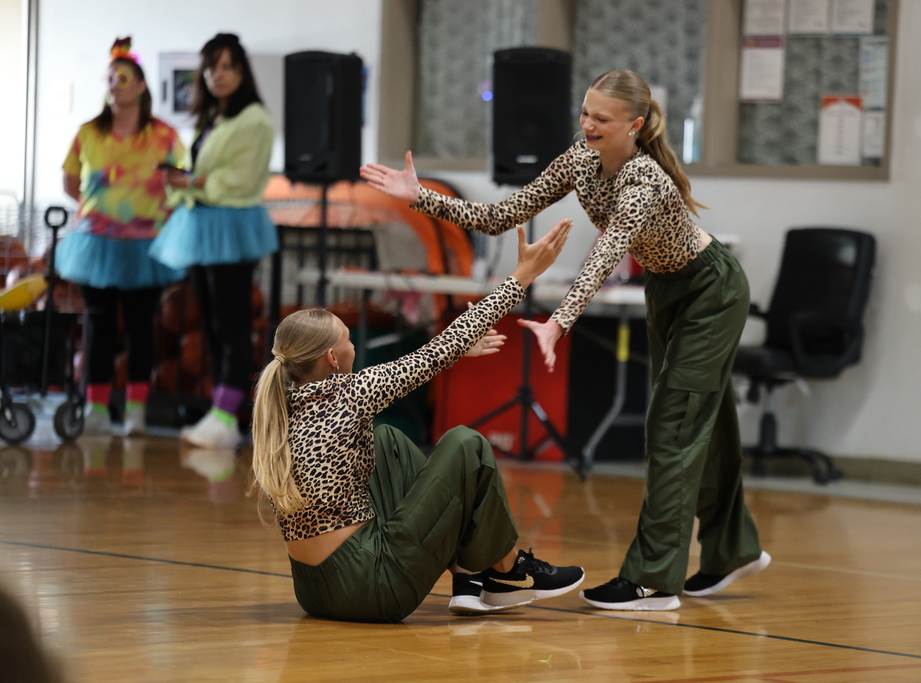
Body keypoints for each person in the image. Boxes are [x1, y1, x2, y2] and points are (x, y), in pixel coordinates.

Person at [360, 69, 770, 611]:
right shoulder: (580, 158)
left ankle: (653, 581)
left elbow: (607, 252)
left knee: (673, 426)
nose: (588, 125)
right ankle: (733, 548)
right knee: (704, 422)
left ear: (635, 125)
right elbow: (500, 216)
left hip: (710, 292)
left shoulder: (644, 180)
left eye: (602, 119)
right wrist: (421, 197)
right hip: (668, 289)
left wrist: (560, 320)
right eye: (585, 113)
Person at [250, 219, 584, 623]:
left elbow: (434, 355)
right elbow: (433, 353)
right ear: (332, 359)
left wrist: (455, 350)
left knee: (387, 441)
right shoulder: (350, 394)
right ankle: (508, 570)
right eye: (348, 338)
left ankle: (468, 576)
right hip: (371, 587)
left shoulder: (280, 405)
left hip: (314, 591)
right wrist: (523, 274)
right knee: (466, 445)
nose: (354, 343)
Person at [150, 33, 279, 449]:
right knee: (210, 325)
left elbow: (241, 180)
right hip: (202, 226)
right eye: (210, 67)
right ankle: (219, 411)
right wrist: (181, 181)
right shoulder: (213, 119)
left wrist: (189, 182)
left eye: (226, 67)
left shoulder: (255, 119)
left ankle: (226, 416)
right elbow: (204, 175)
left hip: (230, 228)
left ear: (242, 72)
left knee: (231, 325)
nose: (217, 75)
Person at [56, 37, 185, 436]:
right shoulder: (88, 133)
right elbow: (70, 182)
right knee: (98, 327)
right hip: (95, 245)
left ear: (142, 85)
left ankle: (135, 412)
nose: (115, 85)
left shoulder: (164, 135)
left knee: (141, 328)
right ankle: (95, 409)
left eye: (124, 78)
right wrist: (101, 212)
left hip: (146, 248)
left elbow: (181, 182)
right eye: (110, 78)